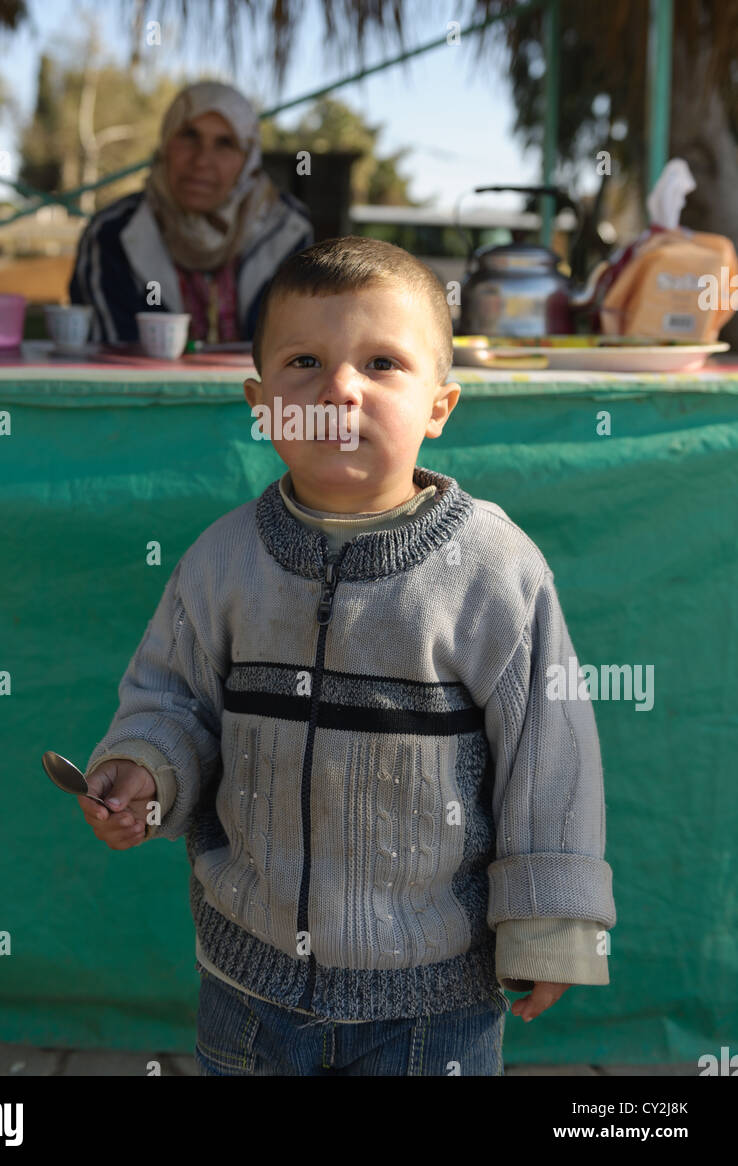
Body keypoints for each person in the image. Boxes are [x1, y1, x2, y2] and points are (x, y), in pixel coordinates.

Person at [78, 235, 616, 1076]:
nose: (339, 389)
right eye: (304, 361)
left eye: (382, 363)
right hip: (246, 989)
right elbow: (170, 704)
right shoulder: (221, 563)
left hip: (434, 1007)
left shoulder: (494, 571)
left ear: (440, 405)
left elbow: (550, 756)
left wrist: (549, 925)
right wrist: (146, 773)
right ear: (263, 405)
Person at [68, 80, 314, 345]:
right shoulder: (112, 234)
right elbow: (114, 362)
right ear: (165, 144)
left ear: (248, 160)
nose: (201, 160)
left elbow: (297, 350)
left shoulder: (287, 230)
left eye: (225, 143)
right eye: (189, 136)